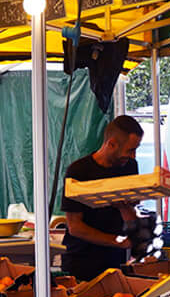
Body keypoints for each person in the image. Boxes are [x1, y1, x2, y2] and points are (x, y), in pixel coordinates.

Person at [61, 116, 145, 283]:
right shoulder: (79, 171)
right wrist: (118, 242)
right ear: (111, 144)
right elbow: (75, 227)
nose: (133, 156)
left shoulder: (129, 166)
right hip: (81, 262)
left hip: (116, 261)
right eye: (130, 150)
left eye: (136, 149)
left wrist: (127, 211)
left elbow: (129, 210)